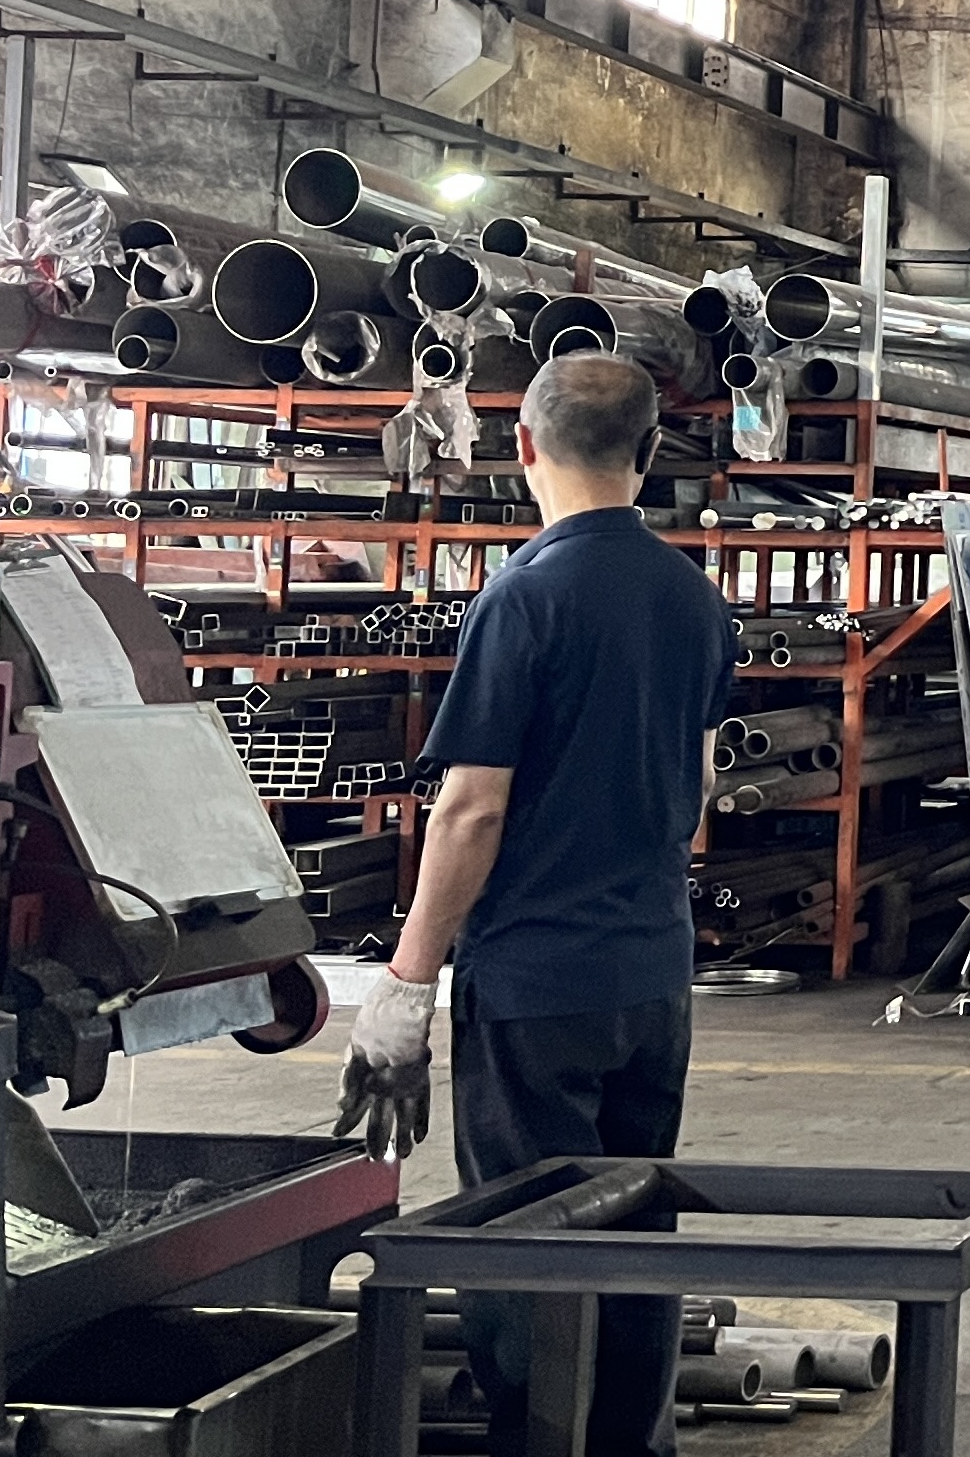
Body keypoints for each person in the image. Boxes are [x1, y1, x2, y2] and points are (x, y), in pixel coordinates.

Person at [337, 352, 734, 1457]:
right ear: (651, 452)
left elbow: (471, 810)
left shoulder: (523, 598)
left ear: (521, 447)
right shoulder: (695, 601)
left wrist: (406, 984)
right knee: (636, 1225)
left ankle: (541, 1441)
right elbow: (700, 784)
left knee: (527, 1243)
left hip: (537, 984)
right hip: (653, 978)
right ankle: (630, 1444)